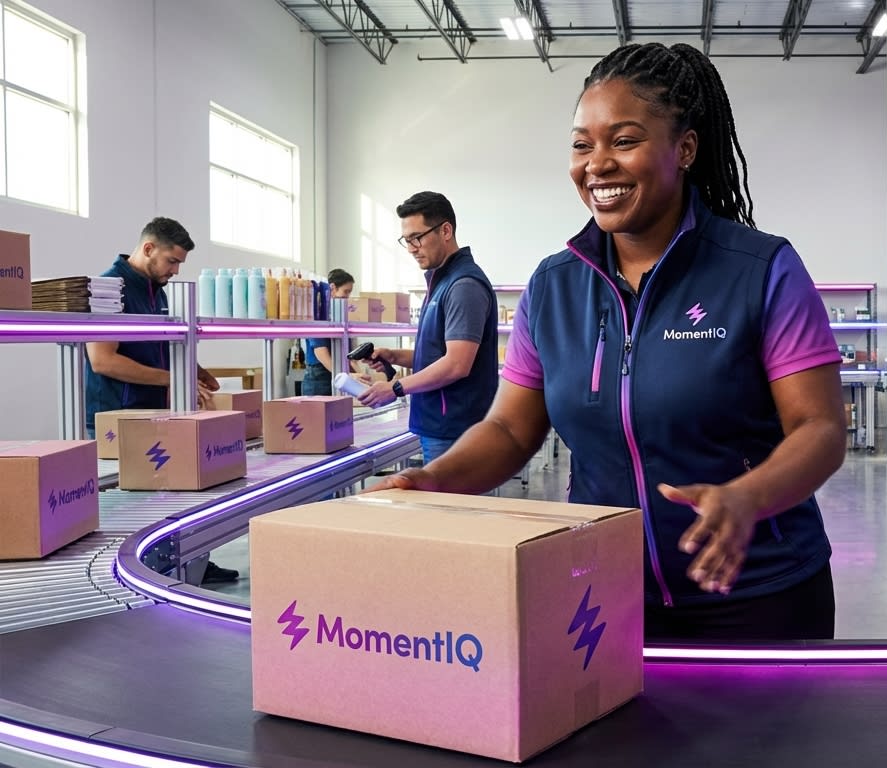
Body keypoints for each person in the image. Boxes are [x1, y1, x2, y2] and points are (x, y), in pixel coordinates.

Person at [370, 43, 847, 642]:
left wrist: (750, 498)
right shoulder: (554, 284)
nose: (597, 164)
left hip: (759, 593)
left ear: (685, 149)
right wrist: (433, 479)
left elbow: (821, 429)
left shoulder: (760, 269)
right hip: (602, 594)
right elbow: (512, 429)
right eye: (581, 144)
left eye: (623, 141)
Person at [84, 217, 237, 583]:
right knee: (134, 506)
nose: (176, 270)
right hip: (119, 417)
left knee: (179, 493)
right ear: (148, 248)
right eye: (172, 261)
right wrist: (176, 378)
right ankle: (138, 574)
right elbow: (103, 360)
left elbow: (168, 344)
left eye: (180, 263)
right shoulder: (110, 289)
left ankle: (193, 560)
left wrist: (196, 371)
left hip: (157, 413)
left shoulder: (160, 290)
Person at [356, 192, 498, 464]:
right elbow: (441, 354)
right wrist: (395, 357)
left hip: (456, 429)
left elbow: (457, 364)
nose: (411, 248)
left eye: (417, 238)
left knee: (454, 506)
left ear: (446, 230)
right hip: (440, 424)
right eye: (406, 240)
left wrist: (395, 387)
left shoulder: (463, 286)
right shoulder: (442, 282)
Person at [301, 268, 355, 396]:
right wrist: (347, 376)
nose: (347, 297)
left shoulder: (339, 315)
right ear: (332, 288)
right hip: (319, 378)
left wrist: (359, 375)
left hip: (336, 372)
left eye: (349, 293)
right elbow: (321, 353)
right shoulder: (318, 313)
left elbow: (348, 354)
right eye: (345, 291)